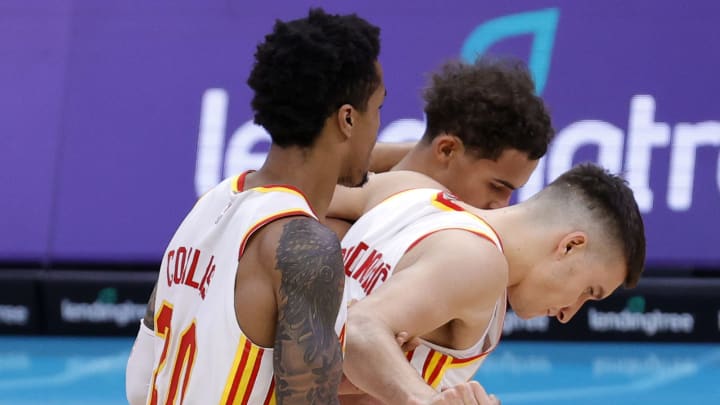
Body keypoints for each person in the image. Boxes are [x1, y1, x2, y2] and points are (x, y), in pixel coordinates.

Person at [126, 8, 499, 405]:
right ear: (348, 120)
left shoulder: (213, 203)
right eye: (379, 109)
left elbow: (138, 381)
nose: (379, 128)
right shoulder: (304, 246)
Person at [332, 164, 645, 404]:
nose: (568, 314)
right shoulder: (480, 264)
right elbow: (360, 328)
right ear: (570, 245)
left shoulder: (408, 188)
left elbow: (291, 194)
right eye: (589, 292)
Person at [326, 57, 554, 239]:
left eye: (512, 191)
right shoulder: (327, 230)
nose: (500, 206)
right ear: (446, 150)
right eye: (496, 186)